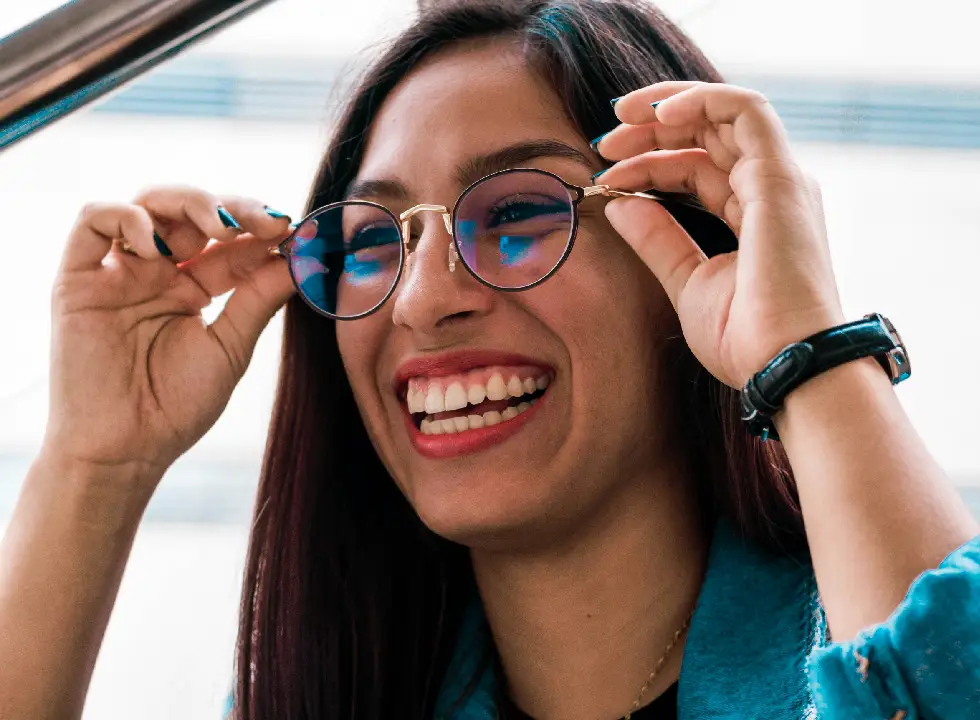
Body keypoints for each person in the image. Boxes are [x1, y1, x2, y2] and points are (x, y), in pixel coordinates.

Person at [1, 0, 979, 718]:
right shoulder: (323, 696)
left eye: (516, 214)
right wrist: (95, 468)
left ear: (692, 248)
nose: (425, 300)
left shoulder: (855, 631)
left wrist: (801, 348)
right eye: (375, 241)